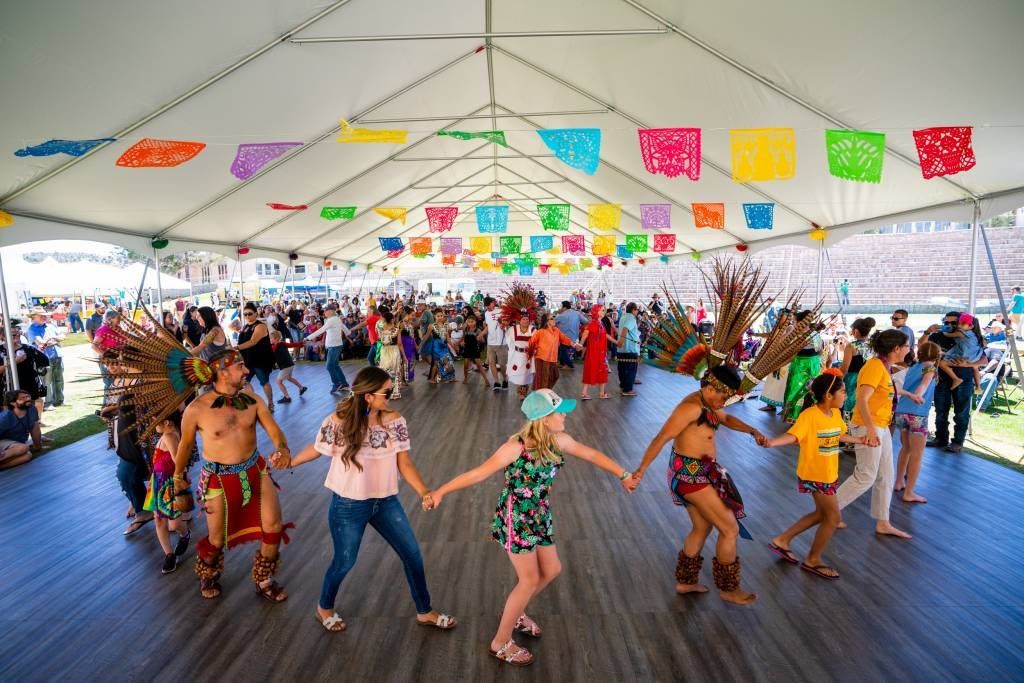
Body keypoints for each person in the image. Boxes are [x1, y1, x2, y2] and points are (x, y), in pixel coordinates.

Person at [423, 389, 637, 666]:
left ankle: (518, 611)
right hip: (517, 517)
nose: (565, 415)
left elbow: (593, 455)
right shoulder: (515, 447)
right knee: (529, 579)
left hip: (539, 512)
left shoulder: (560, 440)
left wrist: (624, 475)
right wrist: (440, 491)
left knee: (552, 569)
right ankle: (500, 642)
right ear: (544, 419)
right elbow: (479, 472)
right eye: (559, 412)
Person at [279, 367, 456, 633]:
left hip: (385, 502)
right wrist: (289, 461)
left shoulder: (395, 420)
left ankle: (425, 611)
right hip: (348, 505)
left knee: (413, 555)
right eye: (386, 390)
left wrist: (424, 491)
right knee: (345, 561)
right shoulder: (338, 421)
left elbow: (404, 463)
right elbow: (317, 450)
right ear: (368, 396)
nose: (392, 394)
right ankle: (324, 607)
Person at [633, 365, 767, 606]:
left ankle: (685, 581)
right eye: (723, 396)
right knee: (729, 529)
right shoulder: (691, 408)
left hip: (698, 473)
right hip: (690, 476)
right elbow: (661, 438)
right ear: (709, 388)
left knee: (702, 527)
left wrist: (752, 429)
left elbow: (725, 418)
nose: (724, 401)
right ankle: (728, 588)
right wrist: (640, 471)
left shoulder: (709, 404)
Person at [174, 350, 292, 601]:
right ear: (223, 372)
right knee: (216, 539)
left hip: (256, 470)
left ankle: (264, 579)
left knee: (273, 526)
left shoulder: (253, 400)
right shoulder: (196, 409)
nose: (247, 371)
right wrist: (177, 477)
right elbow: (184, 446)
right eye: (240, 366)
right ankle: (208, 573)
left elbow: (275, 431)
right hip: (217, 478)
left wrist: (282, 448)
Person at [764, 370, 865, 580]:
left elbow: (839, 435)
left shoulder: (835, 414)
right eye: (843, 391)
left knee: (821, 515)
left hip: (828, 474)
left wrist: (860, 441)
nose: (846, 395)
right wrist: (772, 442)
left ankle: (782, 540)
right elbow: (793, 436)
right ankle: (813, 559)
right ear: (828, 395)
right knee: (833, 518)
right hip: (815, 474)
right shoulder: (810, 415)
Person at [834, 329, 911, 539]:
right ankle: (829, 512)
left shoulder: (884, 367)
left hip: (880, 426)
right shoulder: (874, 367)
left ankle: (883, 521)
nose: (908, 349)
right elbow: (862, 399)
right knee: (866, 475)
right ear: (896, 349)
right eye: (906, 346)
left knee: (886, 476)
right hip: (869, 426)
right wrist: (869, 429)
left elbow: (884, 393)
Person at [142, 411, 193, 574]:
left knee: (175, 522)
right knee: (159, 520)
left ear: (168, 423)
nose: (153, 424)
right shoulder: (167, 435)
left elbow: (179, 459)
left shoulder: (170, 437)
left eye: (156, 421)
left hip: (169, 483)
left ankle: (185, 534)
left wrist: (181, 478)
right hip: (158, 481)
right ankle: (169, 554)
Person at [894, 342, 940, 504]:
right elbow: (924, 384)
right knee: (917, 455)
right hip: (917, 415)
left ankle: (899, 481)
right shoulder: (930, 369)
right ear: (937, 356)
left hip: (901, 412)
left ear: (919, 354)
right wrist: (918, 395)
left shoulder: (913, 367)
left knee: (905, 448)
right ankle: (909, 492)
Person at [927, 312, 976, 453]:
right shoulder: (937, 336)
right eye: (946, 322)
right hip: (941, 379)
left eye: (953, 323)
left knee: (961, 412)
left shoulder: (967, 336)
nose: (949, 325)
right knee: (940, 410)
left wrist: (965, 364)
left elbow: (983, 359)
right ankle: (940, 438)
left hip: (964, 379)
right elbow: (924, 350)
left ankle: (957, 442)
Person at [235, 302, 277, 409]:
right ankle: (252, 402)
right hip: (248, 360)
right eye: (245, 314)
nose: (247, 316)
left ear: (255, 314)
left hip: (260, 360)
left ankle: (270, 403)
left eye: (250, 313)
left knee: (264, 382)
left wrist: (236, 347)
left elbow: (253, 341)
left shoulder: (261, 326)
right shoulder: (245, 327)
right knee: (243, 382)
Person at [782, 311, 822, 422]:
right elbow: (820, 352)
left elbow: (789, 353)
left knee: (796, 390)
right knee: (810, 390)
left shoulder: (798, 336)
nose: (793, 323)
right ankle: (808, 417)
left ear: (801, 322)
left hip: (800, 365)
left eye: (794, 321)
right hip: (814, 365)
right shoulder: (816, 334)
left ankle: (794, 416)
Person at [304, 303, 350, 394]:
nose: (324, 312)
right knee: (335, 365)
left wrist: (308, 337)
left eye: (326, 310)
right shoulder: (336, 319)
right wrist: (348, 332)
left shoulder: (332, 320)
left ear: (331, 311)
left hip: (334, 346)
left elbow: (321, 330)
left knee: (329, 366)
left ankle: (336, 384)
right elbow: (344, 328)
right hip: (335, 345)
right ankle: (344, 384)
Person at [24, 307, 64, 408]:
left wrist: (52, 339)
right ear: (34, 317)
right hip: (43, 358)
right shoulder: (31, 329)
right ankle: (48, 403)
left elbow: (63, 336)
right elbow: (40, 342)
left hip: (57, 355)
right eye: (41, 315)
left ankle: (59, 400)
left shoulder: (50, 325)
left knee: (59, 379)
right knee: (47, 381)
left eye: (44, 315)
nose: (44, 317)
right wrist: (54, 339)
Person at [936, 313, 985, 391]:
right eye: (959, 323)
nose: (959, 326)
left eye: (962, 324)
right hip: (974, 356)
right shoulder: (974, 334)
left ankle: (956, 379)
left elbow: (947, 335)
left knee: (942, 363)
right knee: (975, 369)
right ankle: (978, 386)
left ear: (971, 326)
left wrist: (941, 329)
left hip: (966, 357)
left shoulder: (961, 333)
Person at [527, 314, 575, 392]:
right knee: (544, 379)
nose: (554, 319)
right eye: (552, 318)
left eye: (553, 318)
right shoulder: (541, 332)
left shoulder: (556, 330)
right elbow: (531, 342)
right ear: (547, 322)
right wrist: (534, 350)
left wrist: (575, 344)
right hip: (542, 358)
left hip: (553, 359)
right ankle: (542, 395)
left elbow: (564, 339)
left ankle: (544, 392)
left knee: (555, 376)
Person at [840, 318, 875, 421]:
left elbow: (845, 367)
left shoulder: (851, 346)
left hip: (852, 378)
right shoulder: (872, 346)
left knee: (849, 402)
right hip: (868, 378)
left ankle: (848, 426)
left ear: (856, 331)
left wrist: (839, 379)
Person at [0, 389, 44, 470]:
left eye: (28, 396)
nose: (27, 399)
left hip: (14, 444)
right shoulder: (5, 417)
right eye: (22, 398)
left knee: (27, 456)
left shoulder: (32, 409)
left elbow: (35, 428)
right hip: (3, 442)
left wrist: (38, 446)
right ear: (12, 403)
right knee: (23, 448)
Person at [579, 304, 615, 400]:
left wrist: (616, 342)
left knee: (599, 370)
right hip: (595, 352)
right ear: (596, 311)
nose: (604, 312)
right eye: (602, 310)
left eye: (604, 310)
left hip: (600, 351)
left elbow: (605, 335)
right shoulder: (594, 323)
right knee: (595, 369)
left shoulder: (600, 323)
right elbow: (586, 333)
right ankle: (600, 393)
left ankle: (588, 393)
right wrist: (581, 344)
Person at [375, 308, 407, 399]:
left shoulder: (379, 329)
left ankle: (384, 390)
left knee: (385, 369)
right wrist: (404, 355)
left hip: (384, 350)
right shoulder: (396, 330)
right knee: (394, 370)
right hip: (394, 350)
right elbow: (400, 343)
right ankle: (394, 391)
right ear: (392, 319)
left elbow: (378, 337)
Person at [269, 329, 308, 404]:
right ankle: (301, 388)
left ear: (276, 338)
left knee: (278, 382)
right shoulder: (282, 343)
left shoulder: (274, 347)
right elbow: (293, 345)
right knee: (289, 378)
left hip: (285, 366)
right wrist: (302, 343)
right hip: (290, 364)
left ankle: (287, 397)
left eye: (271, 338)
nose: (269, 340)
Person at [615, 302, 642, 396]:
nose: (637, 311)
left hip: (622, 350)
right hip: (629, 348)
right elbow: (625, 329)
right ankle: (627, 389)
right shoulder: (631, 318)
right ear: (633, 310)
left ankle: (623, 385)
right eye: (637, 310)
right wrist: (621, 341)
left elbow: (626, 329)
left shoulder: (623, 316)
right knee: (631, 369)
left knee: (622, 368)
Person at [506, 313, 535, 399]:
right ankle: (520, 392)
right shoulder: (513, 329)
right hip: (517, 355)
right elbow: (509, 340)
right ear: (519, 320)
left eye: (527, 319)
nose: (525, 321)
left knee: (526, 375)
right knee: (519, 374)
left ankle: (524, 391)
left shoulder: (532, 329)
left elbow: (536, 341)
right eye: (523, 319)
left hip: (528, 356)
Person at [483, 297, 509, 392]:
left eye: (489, 305)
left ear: (493, 303)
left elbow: (507, 324)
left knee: (502, 365)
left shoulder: (501, 311)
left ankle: (505, 380)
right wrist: (481, 334)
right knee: (492, 363)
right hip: (490, 343)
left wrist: (503, 324)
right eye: (486, 306)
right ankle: (496, 382)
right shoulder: (486, 313)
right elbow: (488, 326)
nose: (488, 308)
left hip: (501, 343)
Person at [554, 301, 586, 370]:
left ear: (564, 307)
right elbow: (585, 321)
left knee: (563, 351)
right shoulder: (577, 313)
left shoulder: (561, 315)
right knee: (564, 351)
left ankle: (570, 365)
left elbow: (552, 323)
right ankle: (563, 363)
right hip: (575, 338)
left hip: (564, 338)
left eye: (561, 306)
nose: (561, 308)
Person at [460, 315, 487, 385]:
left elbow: (483, 341)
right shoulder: (465, 330)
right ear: (467, 322)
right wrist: (462, 342)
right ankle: (465, 378)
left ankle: (486, 380)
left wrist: (480, 339)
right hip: (467, 349)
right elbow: (464, 338)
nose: (470, 323)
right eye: (469, 322)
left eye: (472, 321)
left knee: (479, 366)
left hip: (475, 349)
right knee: (465, 366)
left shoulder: (478, 330)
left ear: (475, 322)